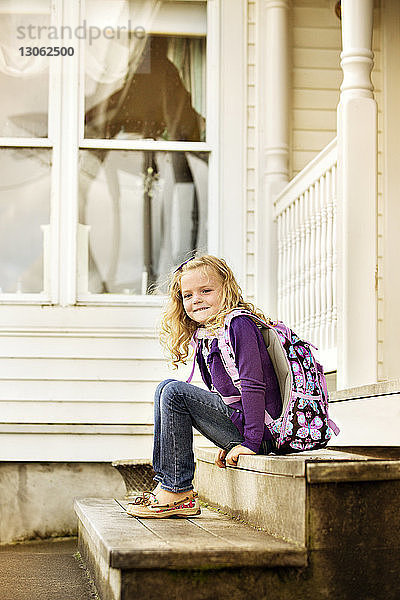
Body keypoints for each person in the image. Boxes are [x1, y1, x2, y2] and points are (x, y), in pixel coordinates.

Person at [127, 255, 282, 518]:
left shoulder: (238, 324)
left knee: (174, 392)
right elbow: (223, 399)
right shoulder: (207, 335)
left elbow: (254, 386)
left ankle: (177, 490)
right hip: (246, 429)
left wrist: (251, 442)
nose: (196, 299)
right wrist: (232, 439)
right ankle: (168, 485)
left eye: (206, 291)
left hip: (266, 435)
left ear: (227, 290)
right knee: (166, 387)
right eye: (187, 295)